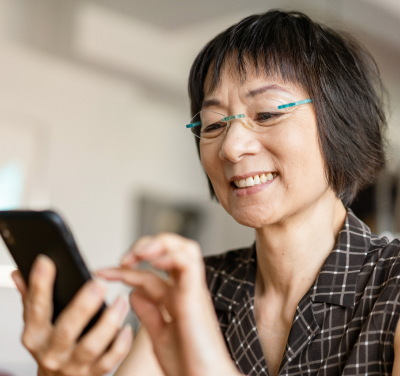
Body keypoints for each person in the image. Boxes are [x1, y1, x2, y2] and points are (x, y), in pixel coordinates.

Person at [10, 9, 400, 376]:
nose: (231, 147)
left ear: (343, 124)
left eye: (266, 114)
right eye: (213, 125)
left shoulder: (392, 286)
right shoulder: (198, 289)